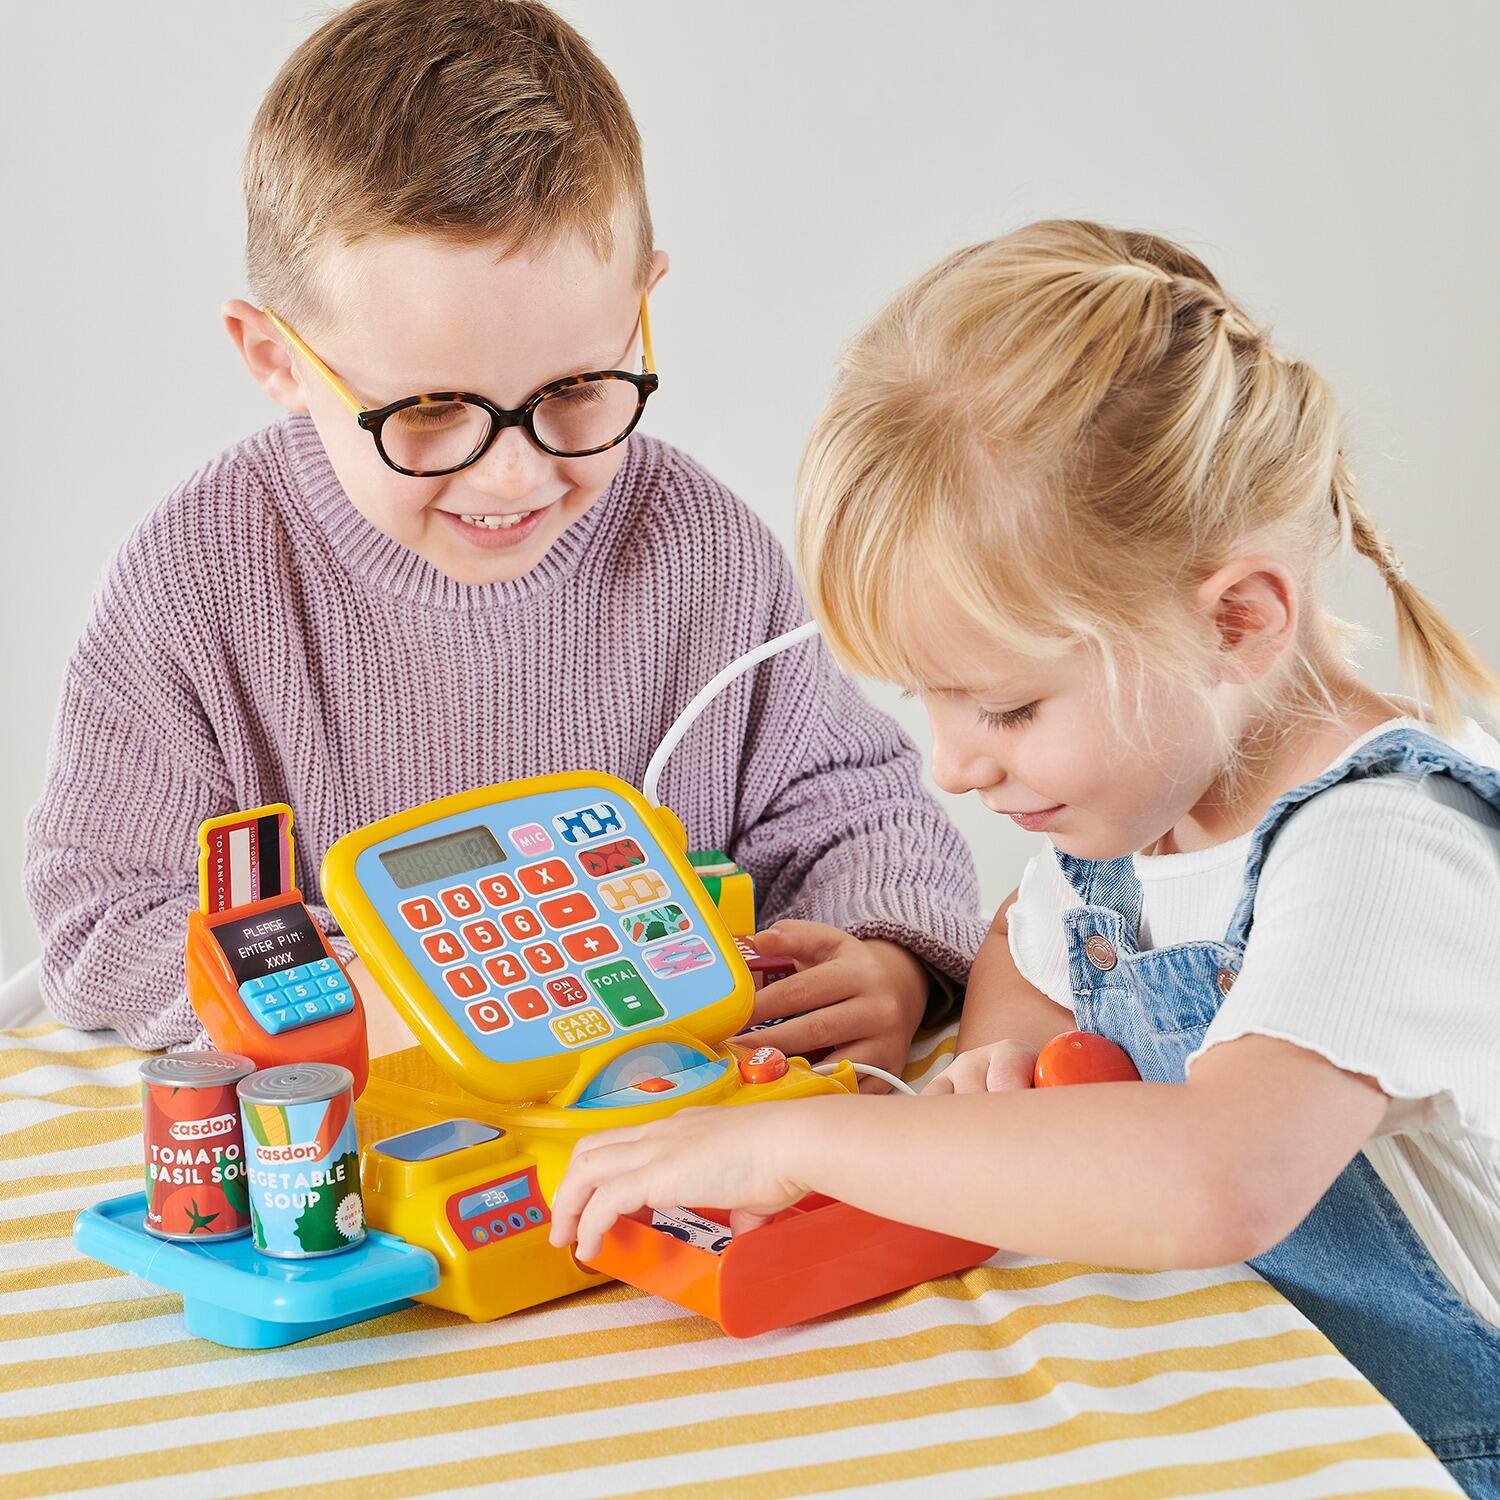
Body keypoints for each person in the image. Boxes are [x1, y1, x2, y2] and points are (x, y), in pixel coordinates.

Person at [549, 221, 1500, 1493]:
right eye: (928, 704)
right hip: (1276, 1403)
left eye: (1005, 710)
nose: (952, 767)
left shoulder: (1387, 846)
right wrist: (999, 1055)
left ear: (1237, 621)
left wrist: (794, 1146)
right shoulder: (1137, 802)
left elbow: (1221, 1178)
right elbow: (1028, 940)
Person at [24, 0, 986, 1084]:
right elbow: (100, 917)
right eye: (431, 410)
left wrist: (889, 961)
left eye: (576, 389)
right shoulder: (197, 580)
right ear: (276, 357)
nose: (513, 473)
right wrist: (352, 990)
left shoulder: (705, 553)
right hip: (379, 1149)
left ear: (642, 304)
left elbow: (858, 809)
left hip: (669, 1127)